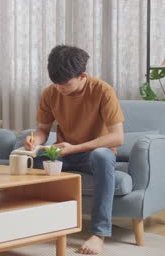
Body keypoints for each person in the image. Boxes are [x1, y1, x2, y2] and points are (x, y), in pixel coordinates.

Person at [25, 45, 124, 254]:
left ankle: (99, 233)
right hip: (64, 152)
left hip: (94, 153)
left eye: (65, 84)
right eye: (56, 83)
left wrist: (75, 148)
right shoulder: (50, 92)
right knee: (29, 159)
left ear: (83, 76)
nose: (59, 88)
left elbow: (117, 137)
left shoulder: (103, 91)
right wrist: (35, 142)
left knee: (102, 157)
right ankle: (36, 221)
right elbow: (43, 130)